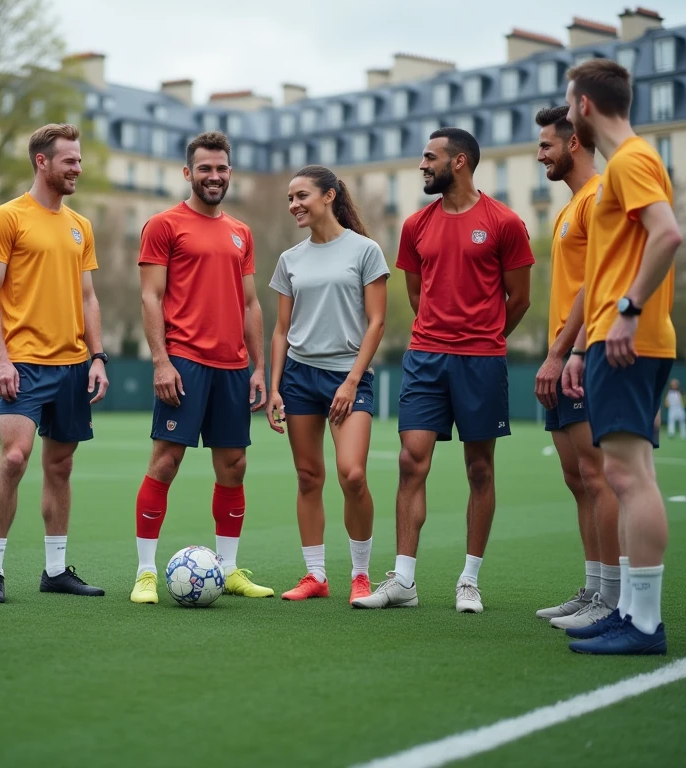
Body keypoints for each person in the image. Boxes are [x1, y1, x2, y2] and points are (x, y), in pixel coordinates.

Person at [355, 128, 534, 614]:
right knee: (411, 460)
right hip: (425, 357)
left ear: (460, 162)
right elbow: (417, 295)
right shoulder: (415, 225)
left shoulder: (505, 222)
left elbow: (520, 298)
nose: (421, 165)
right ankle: (404, 581)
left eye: (430, 157)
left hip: (482, 360)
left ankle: (469, 581)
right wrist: (440, 332)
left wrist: (487, 336)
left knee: (479, 468)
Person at [561, 58, 683, 655]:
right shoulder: (624, 165)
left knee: (629, 477)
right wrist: (584, 344)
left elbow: (668, 233)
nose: (566, 115)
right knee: (627, 474)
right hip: (612, 339)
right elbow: (610, 266)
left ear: (584, 105)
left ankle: (643, 625)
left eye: (567, 104)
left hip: (630, 340)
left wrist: (629, 313)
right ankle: (632, 612)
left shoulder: (632, 159)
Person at [130, 131, 272, 604]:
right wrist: (161, 361)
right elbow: (150, 295)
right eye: (205, 168)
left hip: (233, 366)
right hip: (184, 362)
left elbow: (251, 304)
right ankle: (146, 573)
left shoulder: (241, 232)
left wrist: (258, 368)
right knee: (166, 462)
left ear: (230, 173)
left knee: (234, 466)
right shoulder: (164, 225)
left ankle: (229, 570)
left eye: (222, 168)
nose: (215, 176)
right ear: (188, 173)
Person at [0, 124, 109, 603]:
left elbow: (88, 297)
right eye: (69, 160)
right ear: (42, 161)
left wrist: (97, 357)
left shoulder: (81, 225)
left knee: (61, 466)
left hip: (74, 364)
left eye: (78, 160)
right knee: (14, 459)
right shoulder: (7, 217)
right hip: (24, 364)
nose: (78, 167)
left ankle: (55, 571)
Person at [266, 165, 389, 604]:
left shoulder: (366, 251)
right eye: (290, 198)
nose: (294, 204)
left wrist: (352, 380)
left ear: (329, 196)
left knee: (352, 475)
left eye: (301, 196)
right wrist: (274, 386)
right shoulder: (290, 260)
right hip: (299, 378)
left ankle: (361, 574)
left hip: (347, 378)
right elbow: (281, 331)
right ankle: (315, 576)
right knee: (308, 476)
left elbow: (377, 321)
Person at [531, 106, 622, 631]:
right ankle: (593, 589)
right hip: (562, 361)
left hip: (579, 359)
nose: (540, 153)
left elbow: (600, 284)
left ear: (574, 144)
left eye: (547, 144)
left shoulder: (598, 199)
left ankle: (612, 599)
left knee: (598, 475)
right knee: (576, 477)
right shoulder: (570, 207)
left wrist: (568, 351)